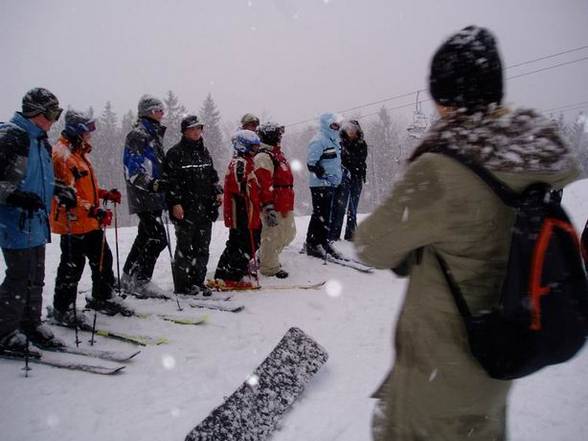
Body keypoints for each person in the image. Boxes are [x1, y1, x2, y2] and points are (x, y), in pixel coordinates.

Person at [354, 26, 579, 441]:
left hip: (442, 362)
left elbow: (371, 245)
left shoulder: (442, 170)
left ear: (446, 97)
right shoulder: (530, 159)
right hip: (499, 347)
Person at [0, 88, 75, 354]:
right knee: (19, 277)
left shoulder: (40, 140)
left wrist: (58, 189)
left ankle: (30, 324)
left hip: (36, 221)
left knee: (36, 277)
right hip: (14, 222)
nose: (55, 120)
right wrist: (16, 197)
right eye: (52, 113)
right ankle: (5, 332)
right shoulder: (11, 137)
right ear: (35, 112)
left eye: (58, 113)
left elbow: (39, 178)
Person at [49, 110, 132, 326]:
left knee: (104, 259)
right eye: (88, 130)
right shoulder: (62, 155)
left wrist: (104, 194)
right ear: (78, 131)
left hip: (89, 220)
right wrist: (93, 210)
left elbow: (85, 188)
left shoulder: (78, 154)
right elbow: (66, 194)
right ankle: (62, 309)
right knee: (72, 267)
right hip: (72, 222)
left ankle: (102, 296)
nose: (91, 135)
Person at [163, 115, 222, 296]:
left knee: (202, 248)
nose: (196, 132)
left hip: (205, 208)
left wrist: (217, 190)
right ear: (184, 132)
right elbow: (169, 182)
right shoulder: (175, 153)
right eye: (192, 129)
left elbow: (212, 175)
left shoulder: (204, 151)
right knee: (185, 249)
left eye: (198, 128)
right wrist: (175, 203)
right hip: (185, 210)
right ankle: (183, 286)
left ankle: (198, 282)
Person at [121, 95, 168, 297]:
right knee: (158, 238)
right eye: (158, 110)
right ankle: (141, 280)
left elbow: (157, 165)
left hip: (154, 196)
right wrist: (152, 183)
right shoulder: (139, 135)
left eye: (162, 110)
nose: (162, 114)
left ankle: (128, 277)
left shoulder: (154, 134)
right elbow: (132, 168)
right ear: (148, 112)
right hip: (145, 196)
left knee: (145, 236)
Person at [213, 129, 261, 289]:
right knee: (242, 243)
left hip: (247, 209)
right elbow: (239, 186)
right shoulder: (240, 162)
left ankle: (226, 273)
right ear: (244, 147)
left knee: (240, 242)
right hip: (240, 210)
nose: (255, 151)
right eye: (253, 147)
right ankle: (231, 275)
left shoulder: (246, 161)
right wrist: (251, 188)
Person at [254, 122, 295, 279]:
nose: (280, 137)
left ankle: (264, 256)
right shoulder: (263, 156)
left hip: (285, 201)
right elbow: (264, 184)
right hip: (273, 203)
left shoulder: (277, 154)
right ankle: (269, 266)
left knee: (288, 233)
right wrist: (268, 205)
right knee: (272, 235)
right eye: (278, 134)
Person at [304, 112, 343, 258]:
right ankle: (312, 243)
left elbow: (334, 161)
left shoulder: (334, 140)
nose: (336, 127)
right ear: (326, 124)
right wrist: (319, 171)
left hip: (330, 183)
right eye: (333, 124)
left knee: (327, 215)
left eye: (338, 125)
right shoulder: (319, 140)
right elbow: (311, 162)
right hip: (319, 184)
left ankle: (323, 241)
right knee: (319, 214)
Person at [329, 119, 367, 241]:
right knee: (340, 206)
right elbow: (341, 160)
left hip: (357, 178)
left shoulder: (362, 144)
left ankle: (351, 234)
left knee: (353, 208)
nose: (351, 131)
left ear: (358, 130)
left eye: (354, 129)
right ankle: (334, 234)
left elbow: (360, 160)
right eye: (349, 129)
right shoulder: (341, 143)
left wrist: (352, 162)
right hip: (344, 178)